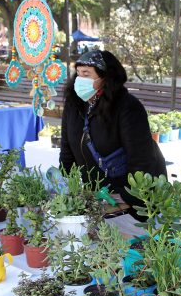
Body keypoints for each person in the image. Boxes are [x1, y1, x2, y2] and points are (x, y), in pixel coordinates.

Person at [60, 50, 166, 213]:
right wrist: (65, 183)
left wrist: (126, 197)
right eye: (79, 73)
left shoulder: (127, 107)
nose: (80, 79)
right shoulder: (74, 105)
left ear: (105, 77)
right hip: (96, 195)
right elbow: (67, 148)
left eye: (86, 74)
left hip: (128, 199)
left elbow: (141, 158)